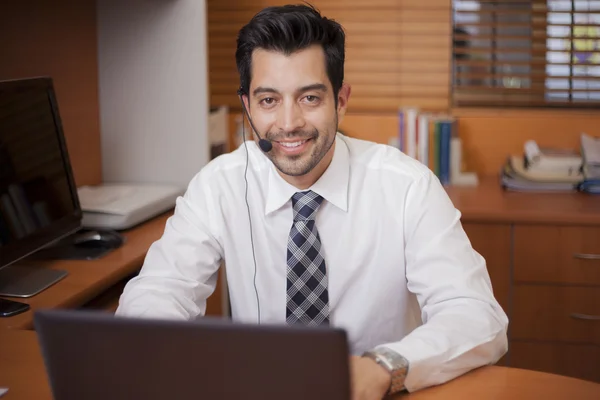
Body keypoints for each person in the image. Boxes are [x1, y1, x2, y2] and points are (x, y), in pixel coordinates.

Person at [116, 4, 508, 399]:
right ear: (248, 106)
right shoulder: (219, 185)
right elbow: (160, 292)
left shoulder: (407, 187)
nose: (289, 123)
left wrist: (383, 368)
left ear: (340, 100)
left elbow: (476, 315)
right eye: (269, 100)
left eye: (309, 98)